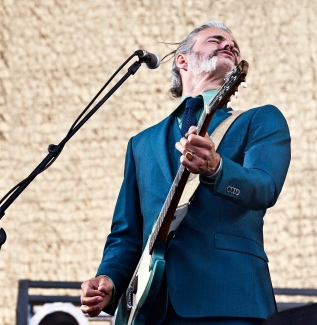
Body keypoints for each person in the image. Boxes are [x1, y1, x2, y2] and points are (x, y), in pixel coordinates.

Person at [80, 21, 291, 325]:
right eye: (216, 40)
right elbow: (127, 232)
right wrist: (109, 280)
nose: (229, 45)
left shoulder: (260, 120)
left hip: (229, 300)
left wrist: (216, 168)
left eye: (234, 45)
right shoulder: (142, 143)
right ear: (183, 60)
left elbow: (264, 187)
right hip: (152, 308)